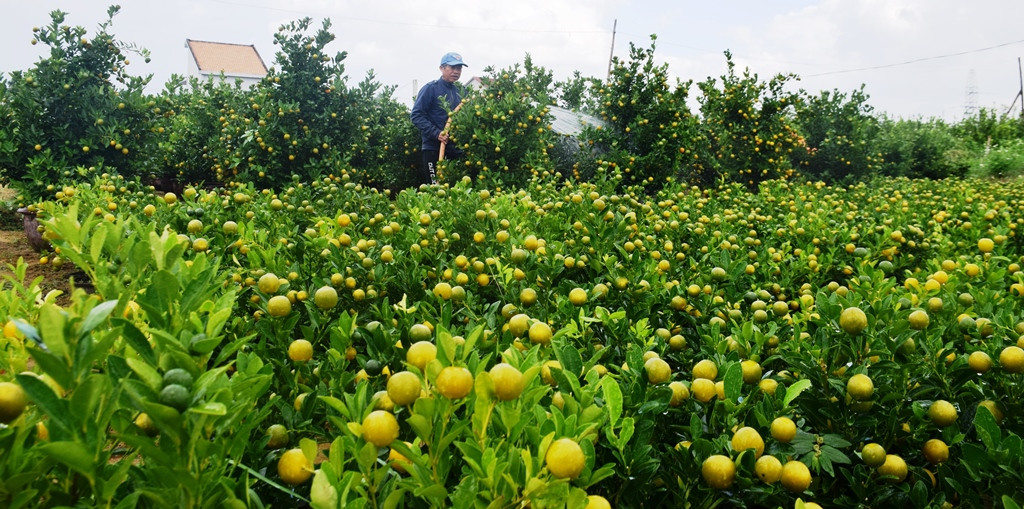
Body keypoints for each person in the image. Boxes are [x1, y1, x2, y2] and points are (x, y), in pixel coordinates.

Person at [411, 52, 466, 185]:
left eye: (459, 68)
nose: (456, 71)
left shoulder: (462, 92)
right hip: (433, 148)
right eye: (452, 68)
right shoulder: (431, 89)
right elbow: (416, 115)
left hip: (454, 149)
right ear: (442, 68)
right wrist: (437, 133)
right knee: (434, 186)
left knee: (456, 187)